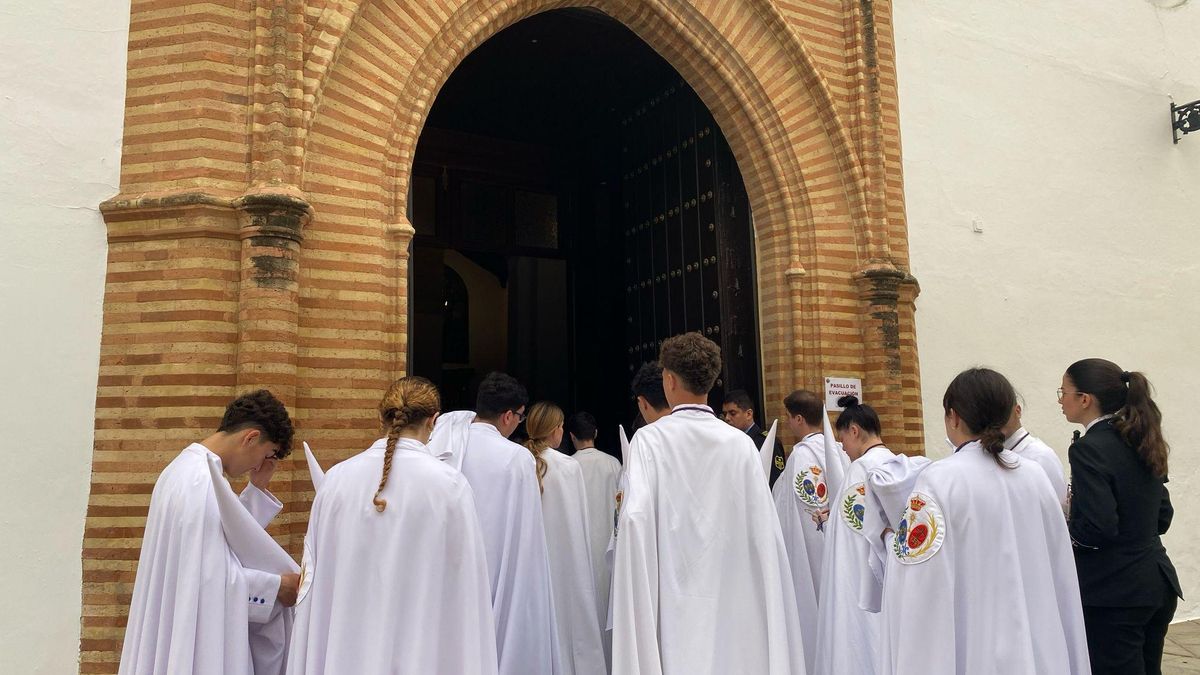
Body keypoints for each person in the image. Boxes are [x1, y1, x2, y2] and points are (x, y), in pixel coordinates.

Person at [611, 332, 806, 674]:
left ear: (668, 380)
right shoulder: (741, 445)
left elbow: (633, 520)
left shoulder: (649, 441)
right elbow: (763, 529)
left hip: (671, 594)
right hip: (733, 595)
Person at [880, 368, 1090, 674]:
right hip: (1034, 643)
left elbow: (918, 584)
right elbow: (1059, 568)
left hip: (973, 644)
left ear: (953, 417)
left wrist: (887, 537)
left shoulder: (939, 480)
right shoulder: (1034, 476)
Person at [286, 377, 497, 674]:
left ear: (380, 418)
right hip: (421, 646)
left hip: (348, 647)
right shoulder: (450, 486)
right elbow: (465, 587)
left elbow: (315, 581)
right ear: (433, 421)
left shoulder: (336, 480)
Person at [119, 390, 300, 675]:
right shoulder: (200, 482)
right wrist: (278, 588)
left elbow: (217, 543)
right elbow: (208, 579)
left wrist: (257, 490)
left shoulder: (183, 470)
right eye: (265, 456)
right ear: (250, 438)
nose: (258, 466)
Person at [1061, 358, 1181, 675]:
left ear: (1084, 399)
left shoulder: (1089, 448)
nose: (1061, 400)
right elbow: (1163, 517)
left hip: (1115, 593)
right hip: (1156, 582)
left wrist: (1065, 524)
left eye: (1064, 392)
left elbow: (1097, 528)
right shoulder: (1141, 437)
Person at [461, 372, 561, 675]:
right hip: (503, 570)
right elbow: (526, 536)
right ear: (507, 416)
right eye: (519, 417)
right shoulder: (517, 458)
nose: (519, 423)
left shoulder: (450, 448)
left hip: (460, 566)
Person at [812, 394, 896, 675]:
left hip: (860, 583)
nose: (843, 448)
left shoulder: (860, 469)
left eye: (843, 440)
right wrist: (830, 519)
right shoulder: (897, 462)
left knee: (860, 646)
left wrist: (830, 522)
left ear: (855, 431)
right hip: (890, 576)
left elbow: (852, 536)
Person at [525, 403, 607, 675]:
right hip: (566, 559)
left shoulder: (522, 462)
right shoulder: (567, 466)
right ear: (555, 431)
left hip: (532, 562)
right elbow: (578, 520)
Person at [772, 389, 829, 674]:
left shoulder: (802, 456)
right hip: (831, 546)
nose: (787, 423)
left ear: (798, 418)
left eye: (788, 417)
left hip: (805, 549)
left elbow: (784, 506)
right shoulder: (838, 450)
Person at [567, 411, 621, 668]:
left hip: (580, 547)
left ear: (571, 436)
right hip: (610, 544)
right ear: (596, 434)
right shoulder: (614, 464)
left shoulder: (568, 466)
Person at [1002, 400, 1068, 507]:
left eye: (1001, 412)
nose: (996, 420)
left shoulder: (1041, 456)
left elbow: (1058, 509)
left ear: (1017, 411)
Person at [722, 388, 786, 486]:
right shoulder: (727, 441)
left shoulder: (765, 441)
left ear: (748, 414)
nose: (727, 418)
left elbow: (776, 482)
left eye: (732, 413)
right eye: (725, 414)